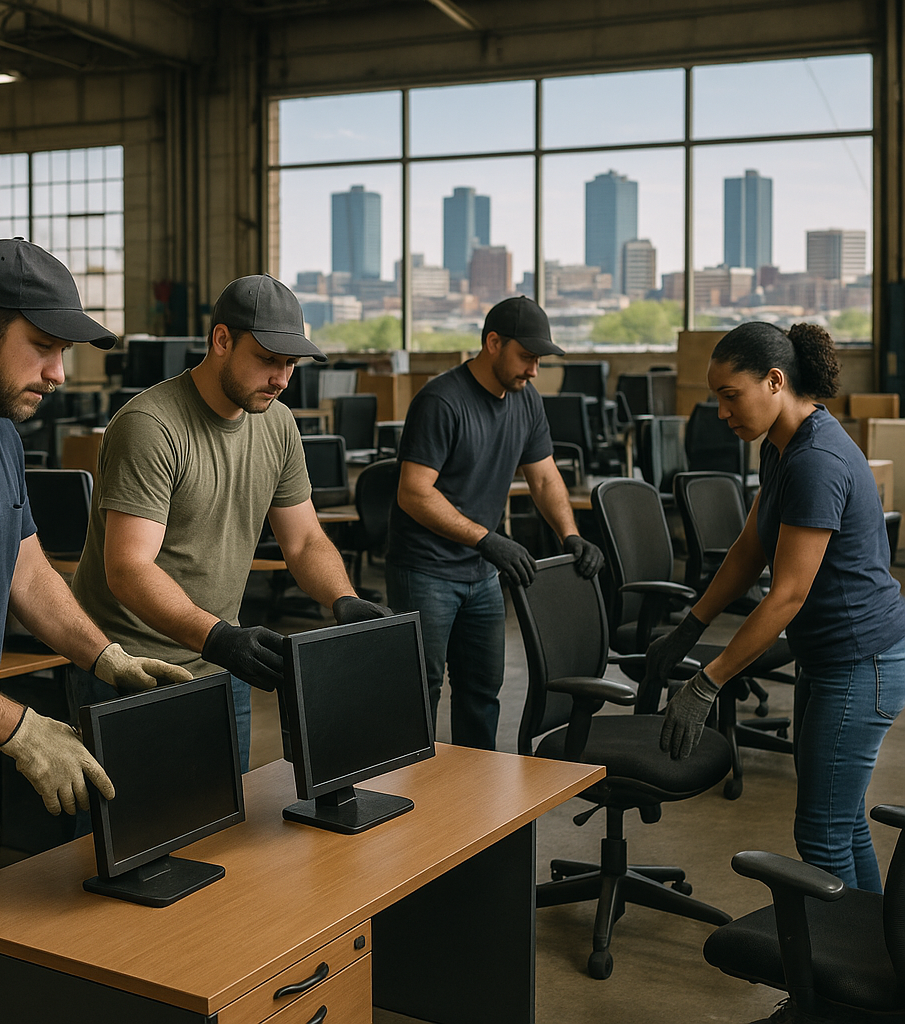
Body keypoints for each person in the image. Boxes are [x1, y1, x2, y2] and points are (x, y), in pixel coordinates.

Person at [0, 237, 192, 1024]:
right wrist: (21, 729)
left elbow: (29, 575)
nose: (59, 373)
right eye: (45, 346)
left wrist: (108, 657)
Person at [70, 273, 389, 772]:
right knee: (132, 821)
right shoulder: (151, 426)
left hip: (219, 660)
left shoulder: (277, 423)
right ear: (221, 340)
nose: (282, 379)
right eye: (268, 359)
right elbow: (128, 568)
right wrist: (218, 637)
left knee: (228, 817)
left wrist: (341, 599)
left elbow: (304, 541)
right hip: (129, 668)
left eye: (290, 364)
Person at [649, 320, 905, 894]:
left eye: (730, 395)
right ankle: (874, 942)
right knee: (841, 825)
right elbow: (750, 548)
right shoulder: (781, 446)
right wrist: (691, 626)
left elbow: (787, 594)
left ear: (773, 381)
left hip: (862, 661)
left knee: (822, 833)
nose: (721, 412)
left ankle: (844, 952)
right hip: (834, 657)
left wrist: (708, 683)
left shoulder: (816, 460)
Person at [385, 295, 604, 750]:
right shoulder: (442, 401)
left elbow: (544, 478)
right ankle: (410, 788)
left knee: (482, 693)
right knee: (419, 691)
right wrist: (487, 539)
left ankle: (476, 789)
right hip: (426, 570)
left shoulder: (526, 401)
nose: (534, 371)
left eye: (539, 360)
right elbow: (413, 492)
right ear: (493, 343)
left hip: (481, 574)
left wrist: (570, 534)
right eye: (526, 357)